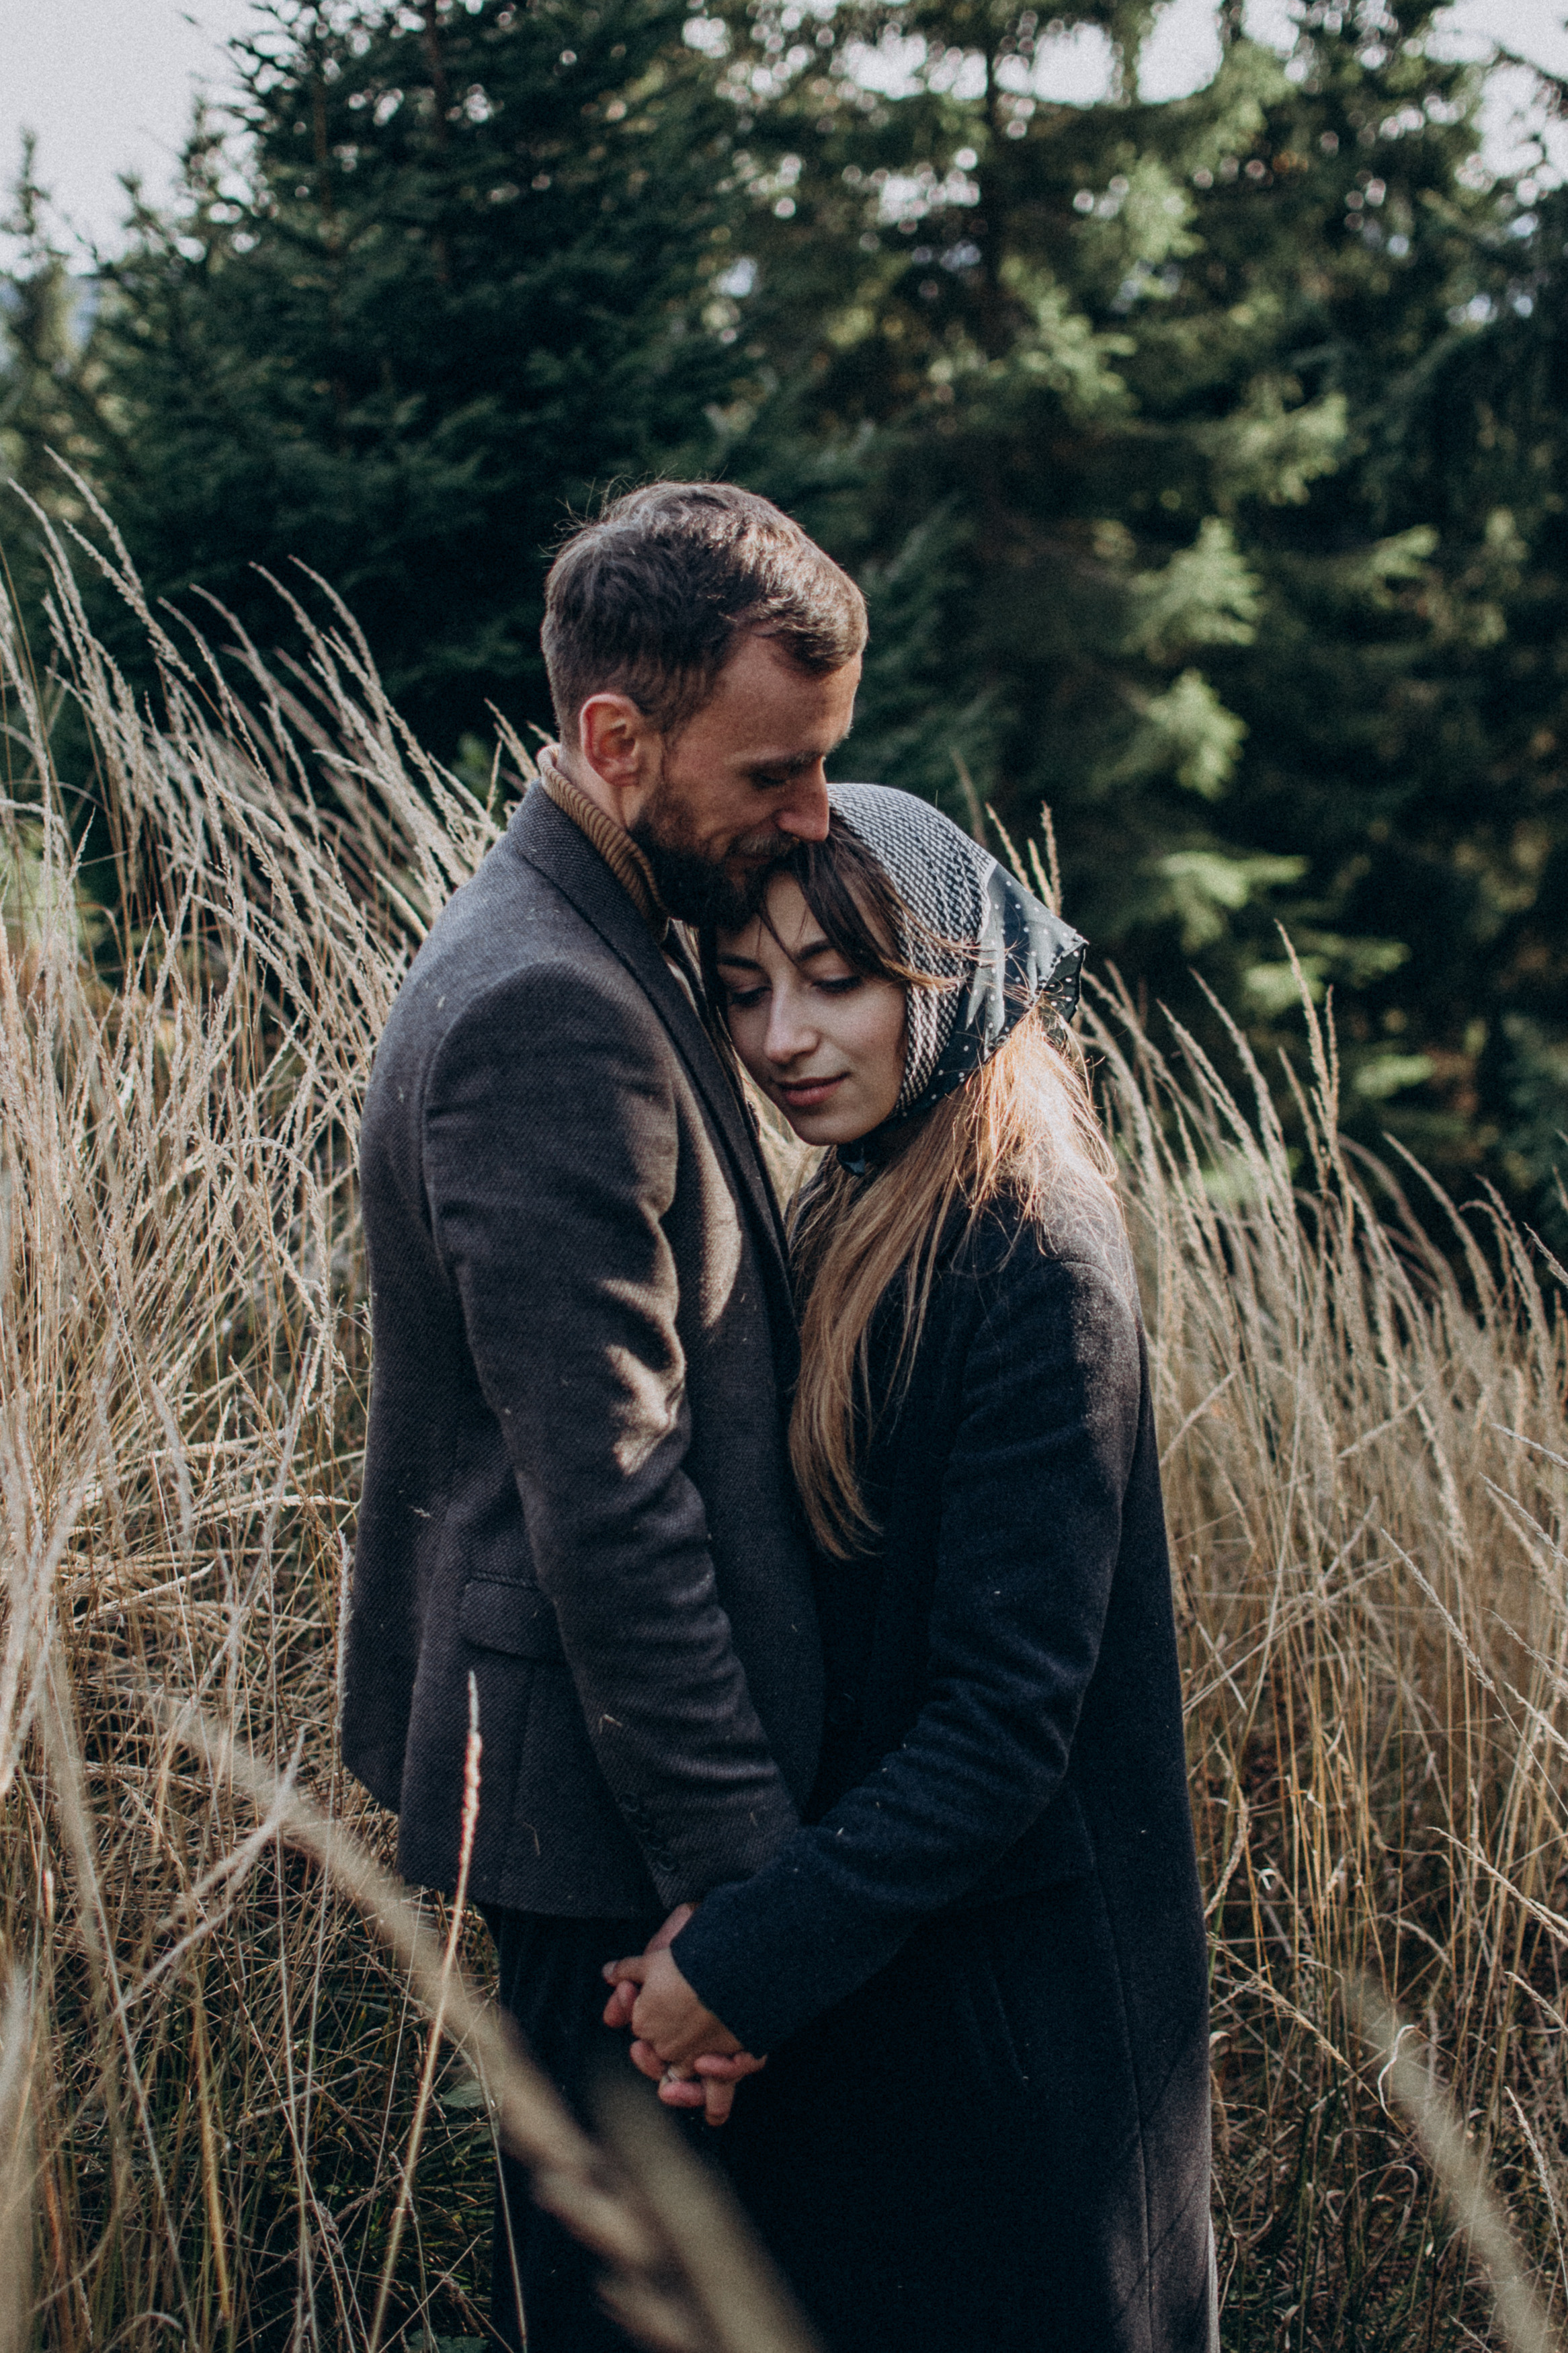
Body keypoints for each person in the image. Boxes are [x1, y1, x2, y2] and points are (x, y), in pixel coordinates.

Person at [339, 482, 870, 2350]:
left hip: (628, 1815)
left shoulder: (616, 922)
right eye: (776, 772)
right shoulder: (541, 1008)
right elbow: (612, 1505)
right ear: (614, 740)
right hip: (606, 1830)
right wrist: (741, 1903)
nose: (812, 818)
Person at [604, 787, 1217, 2353]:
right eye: (744, 990)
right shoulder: (870, 1199)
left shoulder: (1030, 1252)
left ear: (945, 971)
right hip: (908, 2000)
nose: (786, 1034)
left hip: (1020, 2046)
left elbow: (1001, 1726)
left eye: (837, 976)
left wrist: (743, 1963)